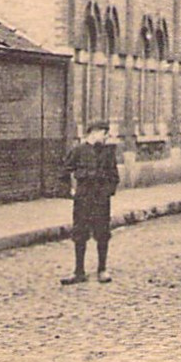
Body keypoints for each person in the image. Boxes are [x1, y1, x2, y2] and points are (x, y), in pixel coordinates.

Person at [60, 120, 120, 285]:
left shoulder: (108, 153)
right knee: (80, 234)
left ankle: (102, 269)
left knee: (103, 233)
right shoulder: (78, 151)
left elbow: (114, 177)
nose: (106, 137)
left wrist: (107, 192)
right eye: (104, 133)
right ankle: (79, 272)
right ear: (94, 132)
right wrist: (71, 191)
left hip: (101, 200)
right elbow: (65, 172)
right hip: (83, 198)